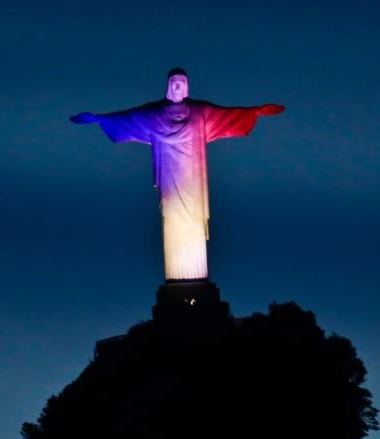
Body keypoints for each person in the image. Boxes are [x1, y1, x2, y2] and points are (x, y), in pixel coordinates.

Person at [70, 68, 284, 281]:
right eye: (174, 81)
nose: (178, 84)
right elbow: (130, 118)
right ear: (168, 85)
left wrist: (256, 111)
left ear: (188, 85)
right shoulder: (154, 114)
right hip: (169, 179)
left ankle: (196, 278)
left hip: (193, 180)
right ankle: (178, 279)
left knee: (193, 220)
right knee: (172, 219)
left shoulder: (201, 112)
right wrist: (100, 119)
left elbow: (227, 115)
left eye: (182, 80)